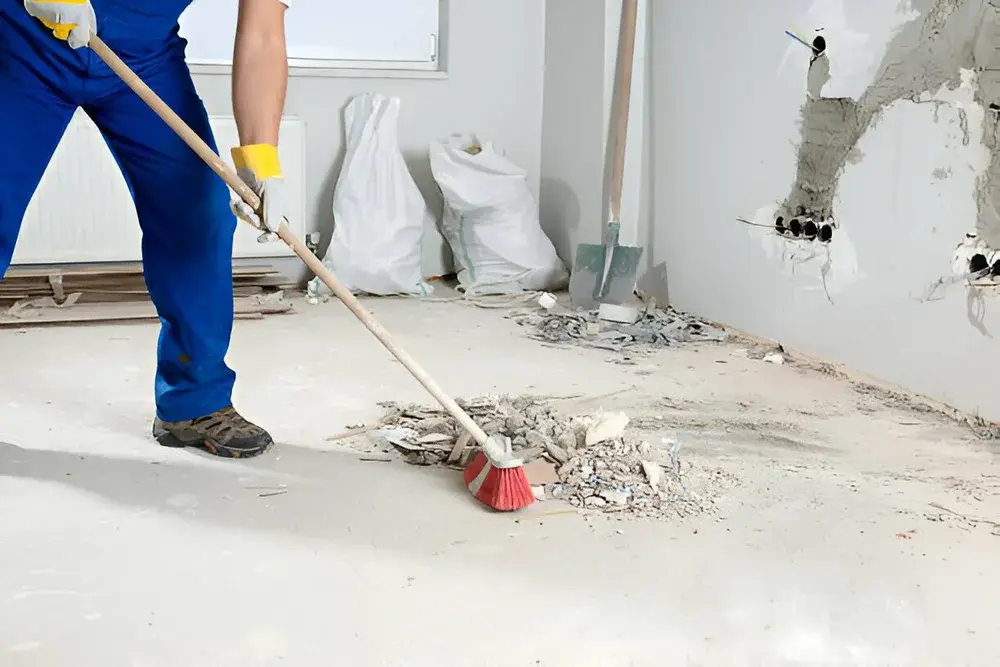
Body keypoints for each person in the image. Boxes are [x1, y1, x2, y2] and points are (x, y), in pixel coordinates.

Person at [0, 0, 292, 458]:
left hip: (143, 56)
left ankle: (194, 403)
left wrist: (262, 159)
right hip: (24, 39)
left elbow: (263, 36)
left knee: (198, 211)